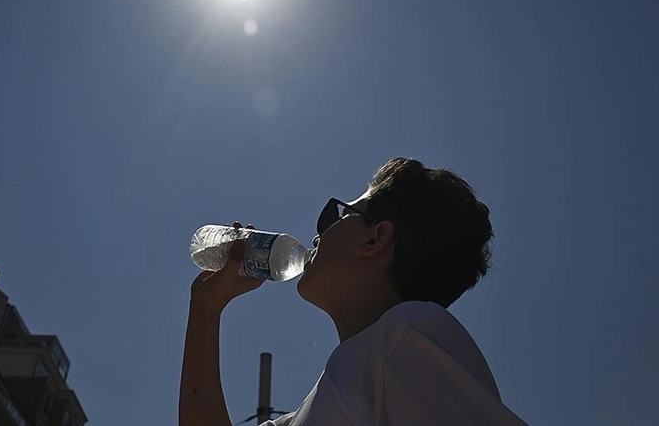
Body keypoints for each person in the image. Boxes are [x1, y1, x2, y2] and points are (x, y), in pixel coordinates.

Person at [180, 157, 528, 426]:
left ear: (375, 238)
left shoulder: (410, 332)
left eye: (336, 216)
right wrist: (206, 308)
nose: (317, 236)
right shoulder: (336, 387)